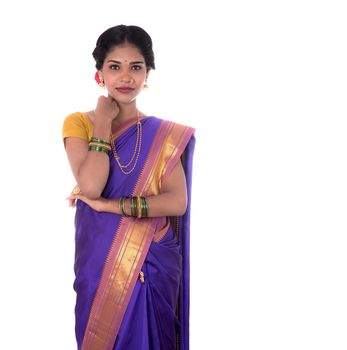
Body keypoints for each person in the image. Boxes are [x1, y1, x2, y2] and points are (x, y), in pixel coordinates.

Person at [62, 24, 195, 350]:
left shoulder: (163, 135)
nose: (125, 77)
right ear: (100, 73)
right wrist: (104, 121)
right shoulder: (78, 122)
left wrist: (112, 206)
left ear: (147, 73)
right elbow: (91, 186)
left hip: (152, 258)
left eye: (135, 67)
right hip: (98, 257)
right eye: (114, 67)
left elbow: (177, 202)